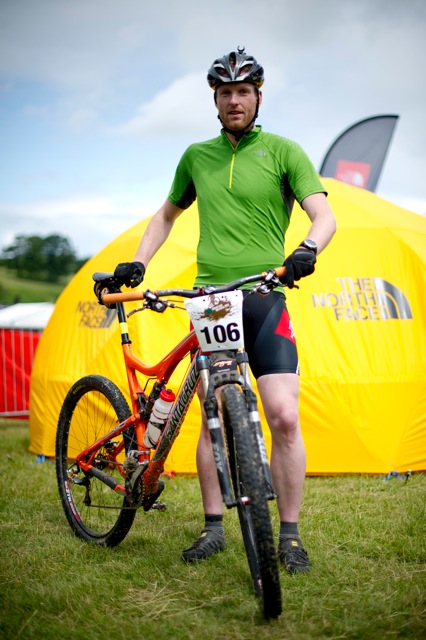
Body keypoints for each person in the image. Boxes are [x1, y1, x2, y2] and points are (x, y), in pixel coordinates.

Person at [114, 48, 336, 573]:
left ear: (258, 97)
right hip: (211, 300)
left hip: (265, 294)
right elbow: (165, 216)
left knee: (284, 416)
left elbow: (323, 215)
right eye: (225, 93)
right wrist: (139, 262)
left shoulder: (284, 151)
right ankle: (213, 526)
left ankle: (289, 536)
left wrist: (307, 249)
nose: (235, 100)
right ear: (214, 100)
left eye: (243, 92)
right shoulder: (196, 156)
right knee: (213, 412)